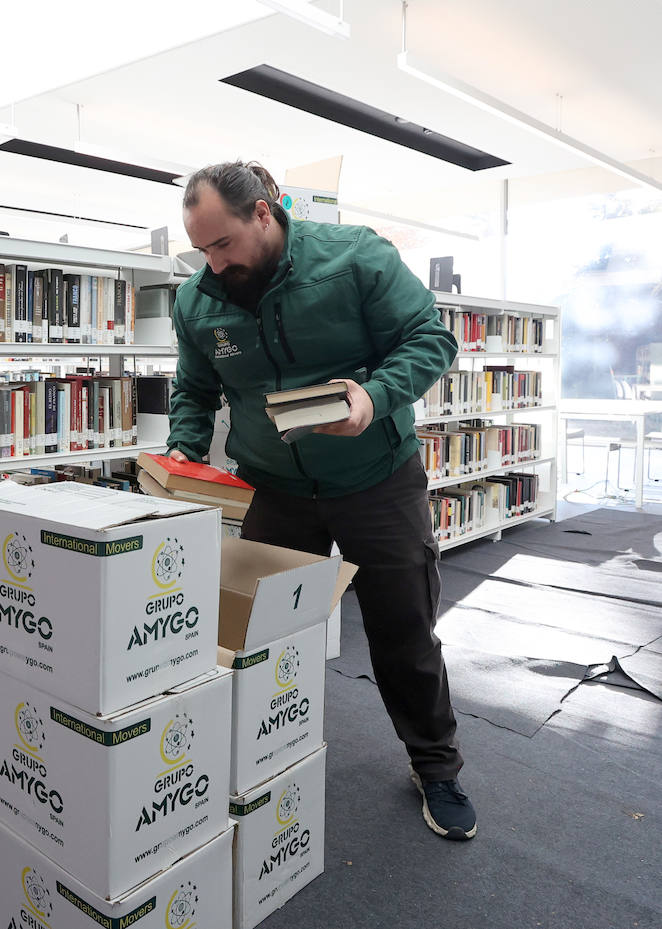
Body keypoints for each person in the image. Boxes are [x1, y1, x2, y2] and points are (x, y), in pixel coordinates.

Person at [167, 161, 476, 840]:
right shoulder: (197, 301)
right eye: (202, 250)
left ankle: (436, 764)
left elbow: (431, 340)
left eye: (223, 245)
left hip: (376, 480)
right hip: (276, 489)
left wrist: (373, 395)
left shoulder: (354, 258)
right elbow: (193, 388)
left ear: (265, 213)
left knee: (404, 634)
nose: (214, 265)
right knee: (252, 637)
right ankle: (251, 766)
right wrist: (185, 450)